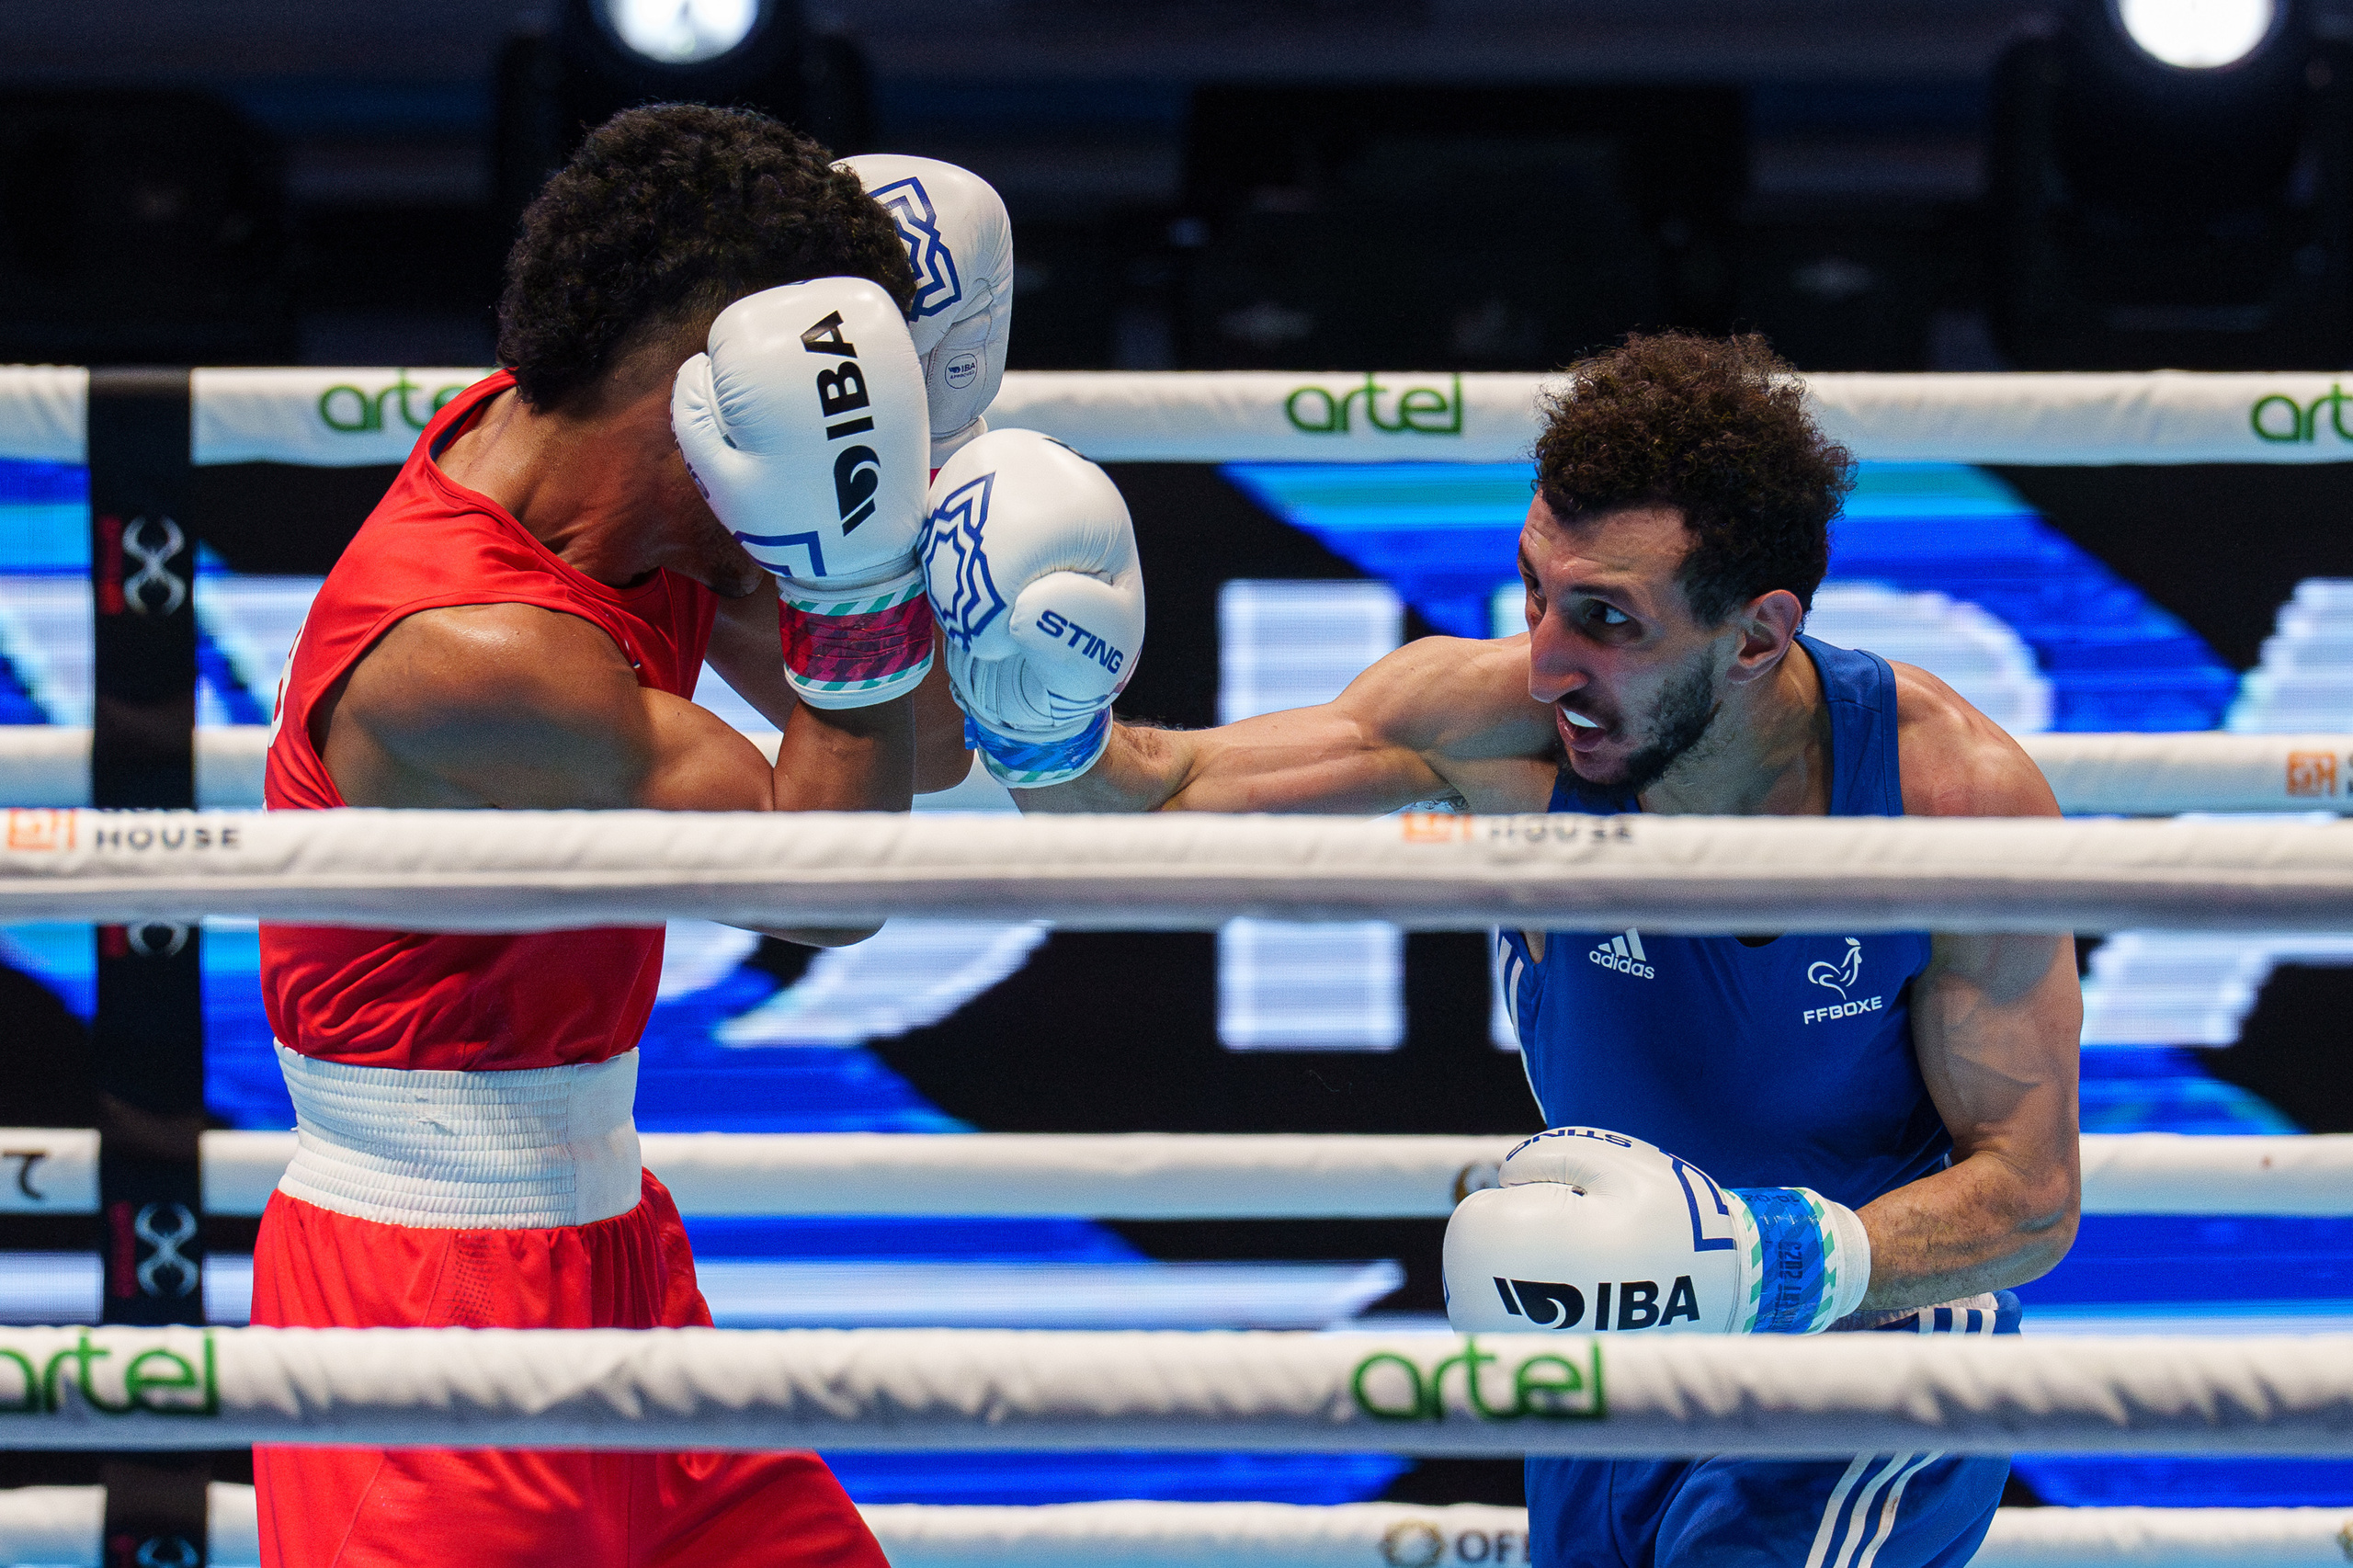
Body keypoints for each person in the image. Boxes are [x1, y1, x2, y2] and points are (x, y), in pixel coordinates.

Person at [983, 333, 2082, 1567]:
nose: (1551, 658)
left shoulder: (1951, 796)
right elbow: (1152, 801)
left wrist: (1781, 1258)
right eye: (1536, 590)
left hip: (1873, 1347)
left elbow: (2031, 1196)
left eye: (1609, 619)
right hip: (1618, 1340)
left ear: (1760, 635)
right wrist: (1033, 712)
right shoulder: (1489, 724)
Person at [254, 105, 984, 1566]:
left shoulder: (607, 489)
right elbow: (829, 886)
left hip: (624, 1263)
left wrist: (895, 487)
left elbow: (930, 739)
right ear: (702, 376)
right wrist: (851, 581)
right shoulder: (470, 648)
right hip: (422, 1326)